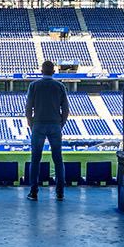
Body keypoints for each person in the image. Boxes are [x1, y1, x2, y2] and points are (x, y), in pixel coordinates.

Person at [26, 60, 69, 201]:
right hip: (55, 125)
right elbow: (66, 109)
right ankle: (60, 193)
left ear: (41, 71)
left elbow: (28, 108)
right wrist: (60, 124)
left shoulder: (34, 85)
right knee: (58, 159)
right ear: (54, 72)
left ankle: (33, 192)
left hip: (38, 124)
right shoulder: (60, 86)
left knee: (35, 159)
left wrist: (32, 124)